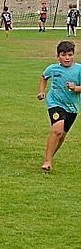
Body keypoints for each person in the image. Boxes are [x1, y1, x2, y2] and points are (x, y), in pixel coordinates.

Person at [38, 41, 81, 173]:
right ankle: (47, 161)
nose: (67, 58)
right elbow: (44, 77)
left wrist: (76, 88)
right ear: (58, 57)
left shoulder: (79, 69)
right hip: (55, 103)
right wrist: (42, 91)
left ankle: (49, 157)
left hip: (72, 107)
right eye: (63, 55)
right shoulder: (53, 68)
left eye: (70, 55)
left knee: (62, 136)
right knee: (57, 130)